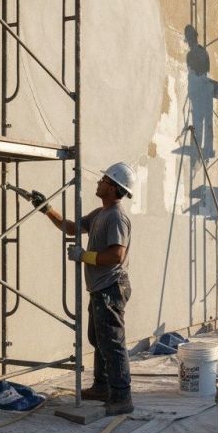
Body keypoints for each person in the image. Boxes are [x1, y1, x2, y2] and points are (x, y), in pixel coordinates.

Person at [25, 162, 135, 416]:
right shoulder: (101, 213)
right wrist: (46, 209)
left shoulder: (116, 217)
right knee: (99, 339)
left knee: (112, 342)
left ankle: (122, 397)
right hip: (101, 287)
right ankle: (102, 387)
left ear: (113, 188)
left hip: (111, 287)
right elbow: (73, 228)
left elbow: (116, 255)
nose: (99, 182)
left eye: (103, 180)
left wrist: (84, 256)